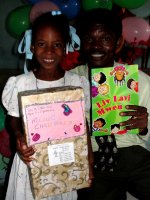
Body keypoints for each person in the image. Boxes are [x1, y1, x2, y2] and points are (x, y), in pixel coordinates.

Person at [2, 11, 93, 200]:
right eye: (42, 44)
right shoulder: (20, 83)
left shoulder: (77, 83)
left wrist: (88, 162)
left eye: (57, 45)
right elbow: (12, 118)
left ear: (66, 48)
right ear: (33, 47)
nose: (49, 51)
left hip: (65, 163)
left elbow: (83, 128)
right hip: (32, 160)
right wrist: (19, 136)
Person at [70, 8, 150, 200]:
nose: (96, 46)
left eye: (105, 39)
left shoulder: (138, 79)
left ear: (118, 43)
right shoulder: (70, 81)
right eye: (89, 39)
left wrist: (145, 127)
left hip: (135, 155)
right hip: (94, 160)